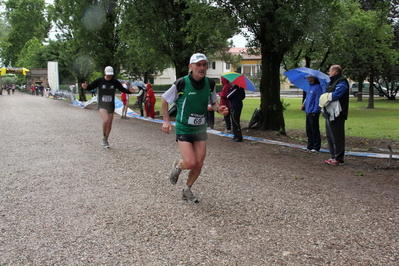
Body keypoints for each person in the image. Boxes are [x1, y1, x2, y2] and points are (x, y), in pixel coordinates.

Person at [161, 53, 229, 203]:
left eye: (204, 65)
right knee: (190, 162)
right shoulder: (182, 83)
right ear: (190, 67)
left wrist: (219, 109)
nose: (202, 68)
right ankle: (178, 166)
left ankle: (187, 190)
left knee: (199, 163)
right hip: (184, 128)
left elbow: (213, 103)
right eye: (198, 65)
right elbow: (164, 99)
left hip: (200, 129)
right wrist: (166, 121)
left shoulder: (210, 84)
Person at [81, 66, 134, 148]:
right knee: (105, 120)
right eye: (108, 74)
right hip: (102, 104)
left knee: (109, 124)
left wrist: (129, 91)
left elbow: (122, 89)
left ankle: (105, 139)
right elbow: (91, 86)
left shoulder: (115, 82)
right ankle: (103, 135)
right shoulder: (99, 80)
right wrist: (85, 87)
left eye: (111, 74)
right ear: (105, 73)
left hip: (110, 105)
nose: (109, 76)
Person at [322, 65, 349, 166]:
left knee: (337, 135)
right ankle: (333, 155)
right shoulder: (331, 82)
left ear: (334, 72)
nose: (329, 73)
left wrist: (326, 97)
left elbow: (337, 94)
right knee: (330, 135)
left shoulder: (342, 81)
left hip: (337, 113)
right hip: (329, 112)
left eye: (330, 71)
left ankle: (339, 158)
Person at [300, 76, 322, 154]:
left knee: (314, 129)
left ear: (314, 78)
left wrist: (315, 110)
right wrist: (304, 105)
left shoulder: (317, 87)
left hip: (313, 112)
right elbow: (307, 99)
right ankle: (310, 145)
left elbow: (317, 100)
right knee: (309, 129)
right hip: (308, 111)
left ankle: (316, 147)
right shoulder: (309, 87)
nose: (307, 78)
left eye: (309, 77)